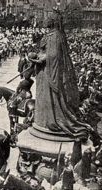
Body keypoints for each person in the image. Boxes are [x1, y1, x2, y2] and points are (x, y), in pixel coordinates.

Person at [28, 10, 92, 140]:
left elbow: (54, 55)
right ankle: (43, 119)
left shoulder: (55, 36)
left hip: (49, 72)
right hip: (46, 70)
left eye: (48, 18)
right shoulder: (54, 35)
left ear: (53, 21)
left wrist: (39, 60)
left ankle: (49, 120)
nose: (46, 20)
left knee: (49, 98)